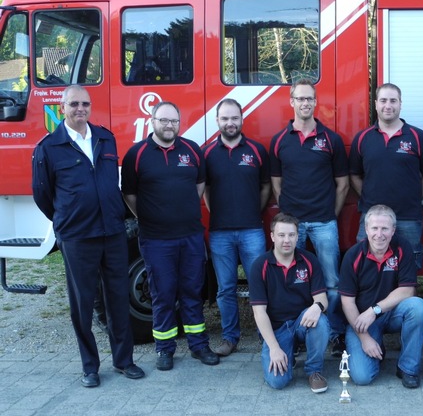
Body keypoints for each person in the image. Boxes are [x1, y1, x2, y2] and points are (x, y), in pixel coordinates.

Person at [32, 85, 144, 388]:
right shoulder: (49, 147)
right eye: (74, 104)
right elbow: (43, 194)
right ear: (63, 107)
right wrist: (66, 219)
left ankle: (124, 361)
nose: (80, 109)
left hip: (112, 231)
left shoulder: (105, 138)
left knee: (118, 298)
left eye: (85, 104)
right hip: (78, 236)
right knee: (82, 303)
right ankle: (90, 366)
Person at [121, 101, 219, 371]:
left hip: (190, 237)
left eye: (174, 121)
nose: (169, 125)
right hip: (156, 239)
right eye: (163, 120)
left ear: (179, 123)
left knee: (192, 292)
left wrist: (183, 210)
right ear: (152, 121)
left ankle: (199, 345)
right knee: (162, 293)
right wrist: (148, 216)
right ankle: (165, 349)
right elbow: (129, 193)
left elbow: (199, 185)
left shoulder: (191, 150)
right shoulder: (137, 154)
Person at [270, 79, 349, 357]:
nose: (305, 103)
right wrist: (289, 218)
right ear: (291, 102)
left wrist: (331, 215)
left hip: (324, 223)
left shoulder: (331, 140)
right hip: (294, 226)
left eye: (309, 99)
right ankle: (300, 333)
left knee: (332, 282)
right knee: (295, 280)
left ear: (316, 103)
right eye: (299, 99)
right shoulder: (279, 141)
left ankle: (338, 334)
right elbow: (277, 184)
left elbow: (343, 184)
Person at [203, 98, 270, 357]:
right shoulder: (207, 154)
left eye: (234, 118)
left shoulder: (256, 150)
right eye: (225, 118)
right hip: (220, 232)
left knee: (259, 286)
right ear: (218, 121)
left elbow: (265, 187)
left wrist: (255, 210)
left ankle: (267, 337)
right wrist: (216, 212)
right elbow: (205, 189)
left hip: (252, 229)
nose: (230, 123)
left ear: (242, 120)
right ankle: (230, 338)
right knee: (225, 288)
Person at [339, 204, 423, 389]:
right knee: (362, 377)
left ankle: (408, 368)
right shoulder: (352, 256)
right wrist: (364, 338)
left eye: (384, 229)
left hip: (391, 312)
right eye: (374, 228)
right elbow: (347, 301)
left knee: (419, 307)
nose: (379, 234)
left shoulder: (402, 247)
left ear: (393, 230)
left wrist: (375, 310)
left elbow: (407, 290)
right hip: (362, 320)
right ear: (366, 229)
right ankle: (375, 342)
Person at [349, 83, 423, 269]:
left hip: (408, 216)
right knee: (365, 266)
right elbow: (354, 174)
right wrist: (367, 194)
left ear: (400, 104)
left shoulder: (417, 136)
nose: (388, 105)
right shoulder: (362, 138)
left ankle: (408, 299)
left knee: (409, 266)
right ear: (376, 104)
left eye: (393, 100)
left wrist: (415, 195)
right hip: (370, 215)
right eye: (383, 100)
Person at [248, 212, 330, 393]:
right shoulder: (259, 266)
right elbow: (259, 312)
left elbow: (322, 298)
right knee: (277, 382)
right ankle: (286, 353)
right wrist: (274, 349)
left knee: (321, 322)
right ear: (272, 236)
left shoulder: (309, 260)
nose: (287, 240)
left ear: (297, 236)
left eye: (291, 235)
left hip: (302, 322)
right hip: (277, 328)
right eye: (281, 235)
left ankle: (314, 371)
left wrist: (317, 307)